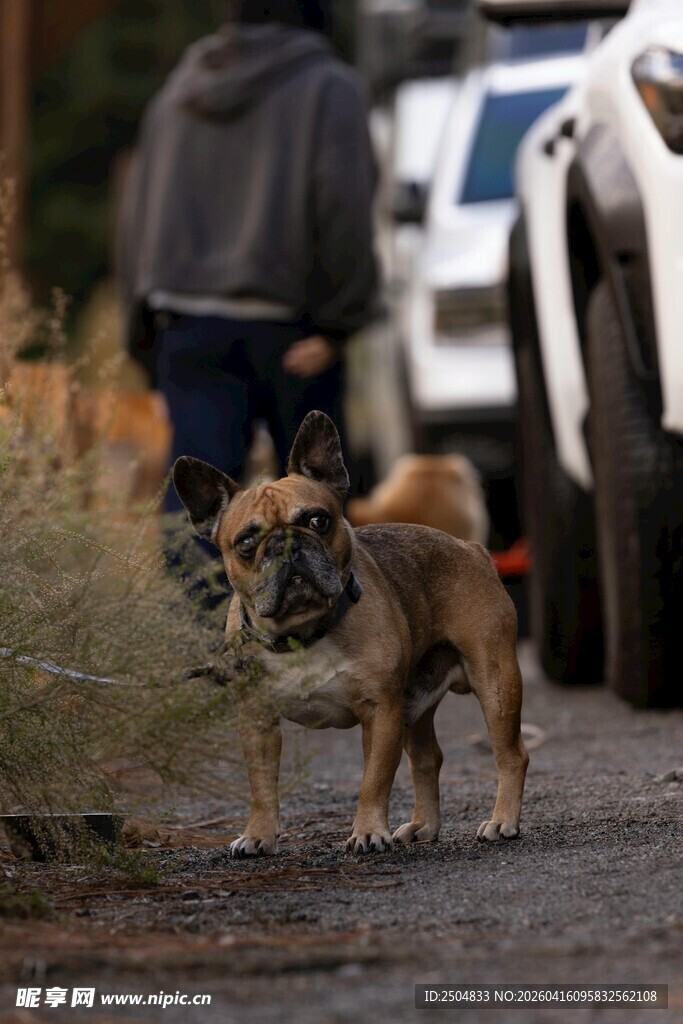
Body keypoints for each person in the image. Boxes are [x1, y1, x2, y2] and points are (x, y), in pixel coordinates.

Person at [117, 0, 378, 518]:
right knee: (315, 516)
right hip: (293, 331)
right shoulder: (330, 88)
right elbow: (343, 204)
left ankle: (193, 606)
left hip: (188, 329)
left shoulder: (178, 91)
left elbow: (135, 218)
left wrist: (147, 348)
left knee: (201, 521)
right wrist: (338, 325)